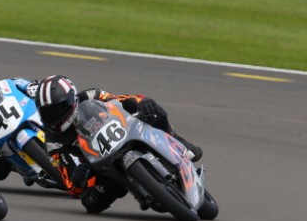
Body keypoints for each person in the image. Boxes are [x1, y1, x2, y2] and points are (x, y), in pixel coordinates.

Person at [33, 74, 203, 213]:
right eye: (47, 113)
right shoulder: (53, 142)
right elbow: (69, 183)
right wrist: (78, 176)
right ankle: (140, 186)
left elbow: (120, 100)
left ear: (71, 100)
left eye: (57, 109)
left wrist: (141, 103)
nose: (54, 116)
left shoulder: (90, 95)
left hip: (122, 131)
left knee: (154, 112)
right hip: (96, 165)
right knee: (90, 203)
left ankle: (181, 144)